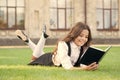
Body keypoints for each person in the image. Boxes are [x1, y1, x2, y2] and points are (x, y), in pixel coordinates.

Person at [15, 22, 98, 70]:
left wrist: (91, 65)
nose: (84, 39)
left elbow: (81, 64)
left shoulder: (84, 48)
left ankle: (29, 41)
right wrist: (84, 69)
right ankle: (41, 38)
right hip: (47, 61)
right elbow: (68, 67)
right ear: (74, 34)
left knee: (37, 54)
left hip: (54, 57)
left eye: (86, 37)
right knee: (33, 59)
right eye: (81, 35)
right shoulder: (63, 44)